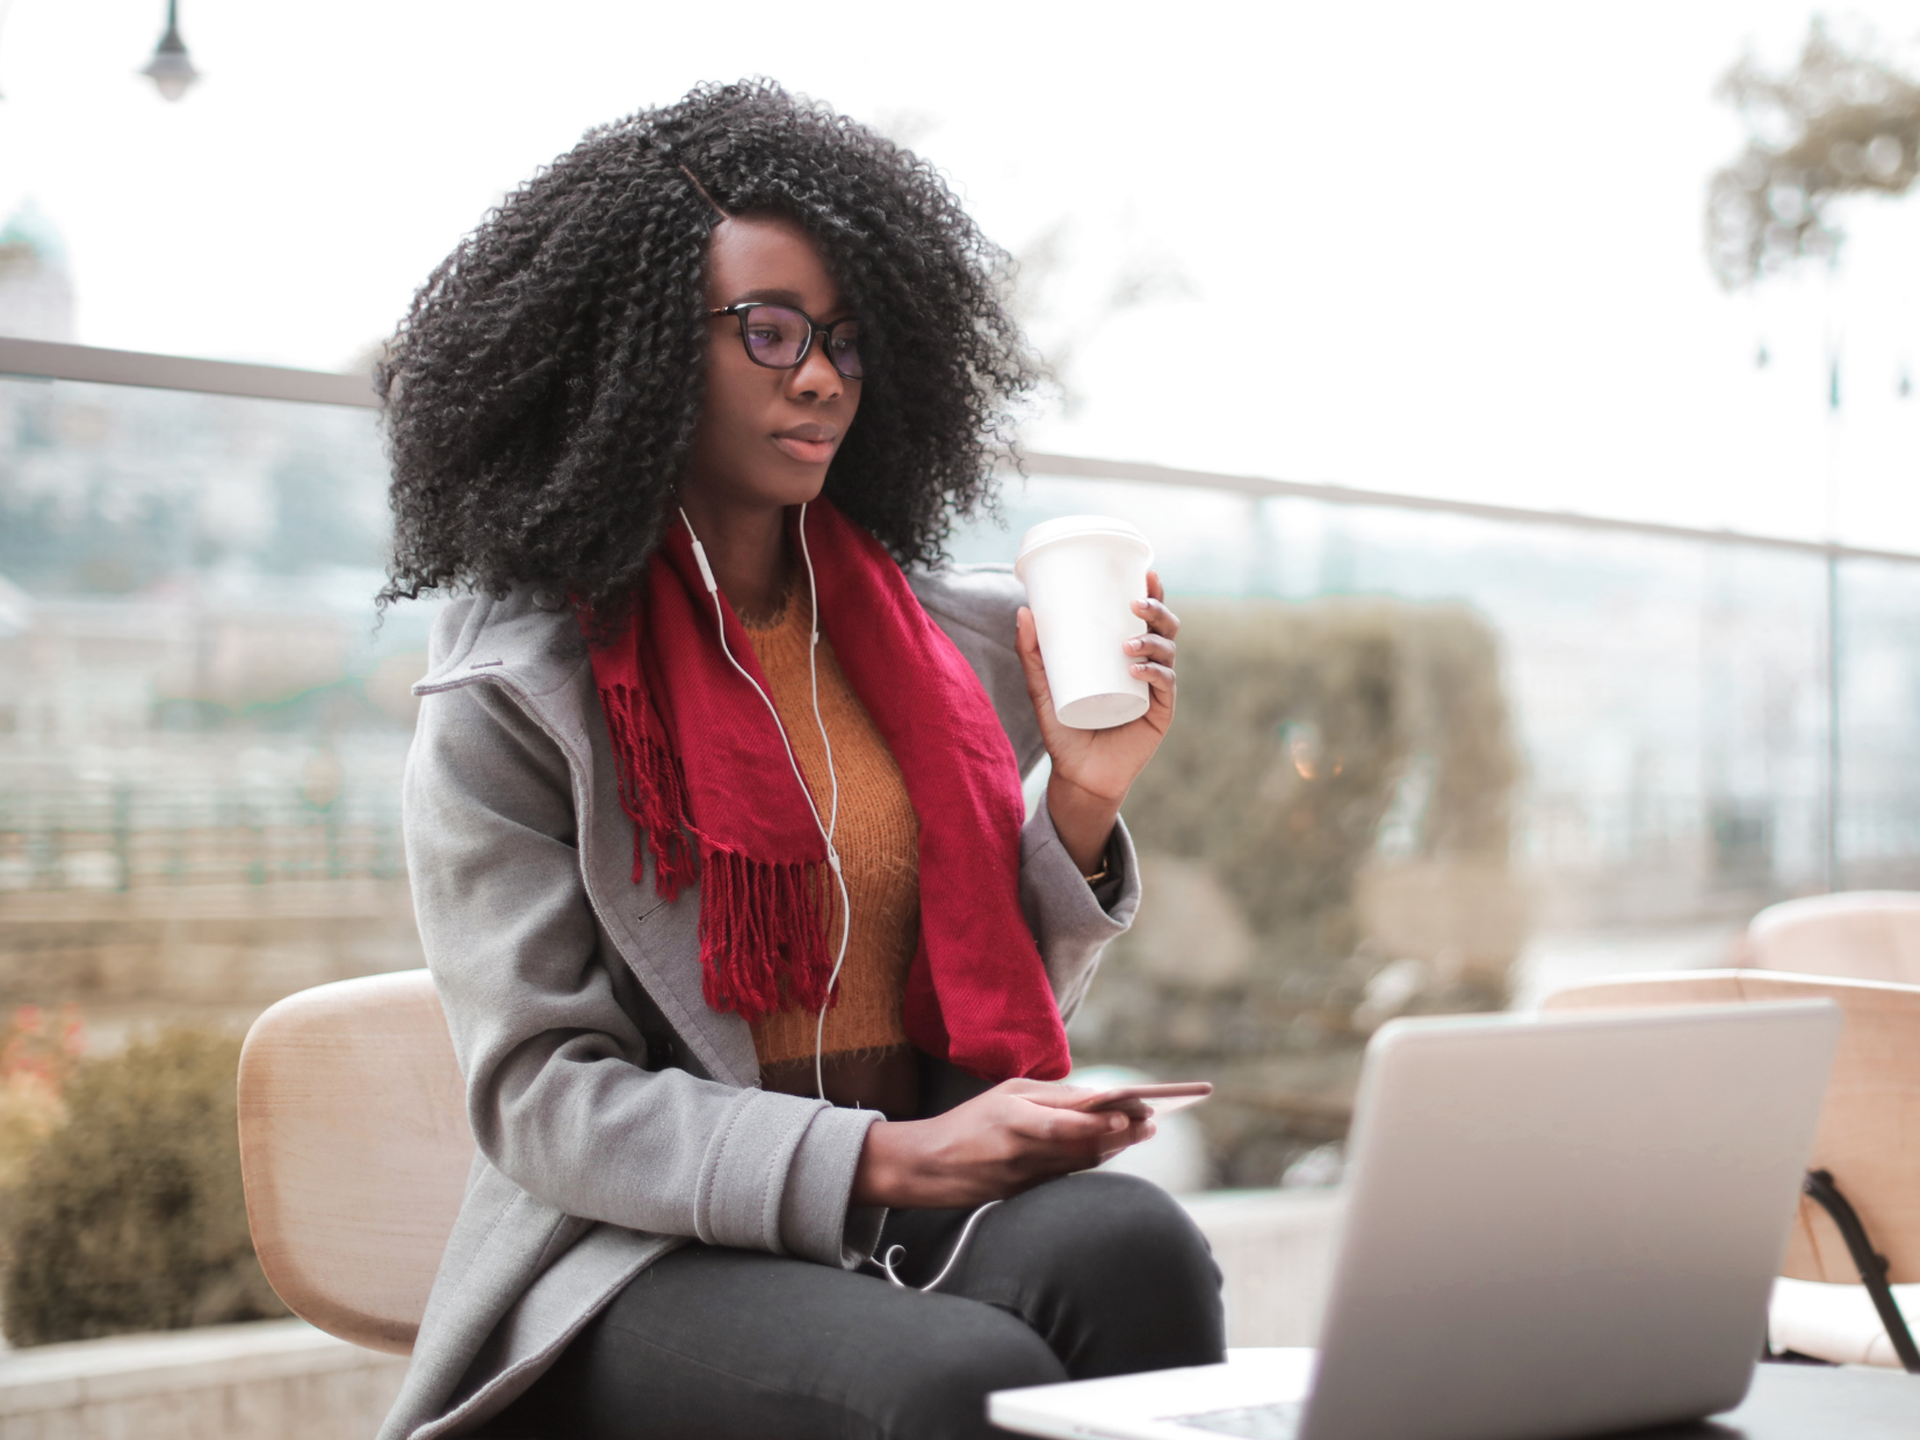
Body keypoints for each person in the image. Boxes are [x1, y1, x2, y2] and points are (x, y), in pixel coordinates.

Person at [373, 81, 1222, 1440]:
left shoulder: (942, 643)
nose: (822, 377)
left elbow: (973, 991)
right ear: (639, 352)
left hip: (894, 1201)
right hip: (636, 1255)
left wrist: (1084, 792)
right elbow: (544, 1103)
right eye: (769, 332)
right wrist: (885, 1159)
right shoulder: (516, 688)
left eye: (846, 340)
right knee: (946, 1378)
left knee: (1137, 1247)